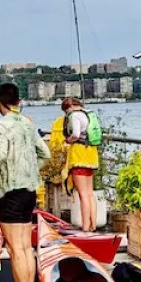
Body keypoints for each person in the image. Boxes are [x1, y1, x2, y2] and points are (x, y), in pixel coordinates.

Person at [0, 83, 50, 282]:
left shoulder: (2, 125)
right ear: (18, 100)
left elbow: (0, 155)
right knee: (25, 247)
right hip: (29, 190)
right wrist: (30, 170)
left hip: (10, 191)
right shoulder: (27, 123)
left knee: (15, 249)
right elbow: (46, 153)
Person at [61, 97, 101, 232]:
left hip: (79, 155)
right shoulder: (88, 114)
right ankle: (93, 225)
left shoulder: (75, 116)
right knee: (90, 193)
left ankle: (85, 227)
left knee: (82, 194)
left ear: (69, 107)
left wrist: (68, 140)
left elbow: (76, 134)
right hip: (91, 153)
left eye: (65, 111)